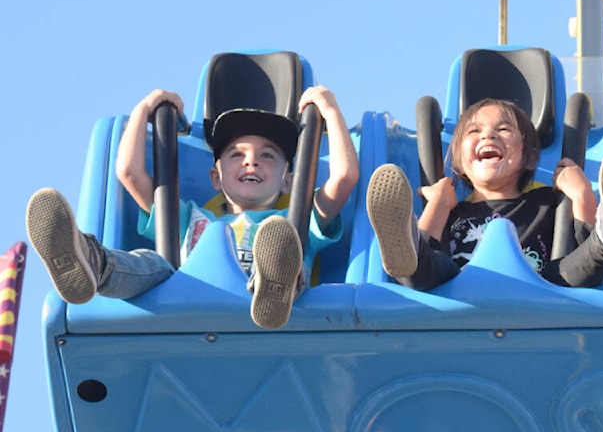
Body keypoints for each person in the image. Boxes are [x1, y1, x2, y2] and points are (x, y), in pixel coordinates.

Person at [26, 85, 358, 329]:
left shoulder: (295, 219)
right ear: (216, 177)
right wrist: (144, 110)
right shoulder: (189, 218)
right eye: (236, 155)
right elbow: (129, 173)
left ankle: (271, 286)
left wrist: (329, 111)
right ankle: (89, 262)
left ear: (288, 181)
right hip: (186, 294)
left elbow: (344, 177)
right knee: (153, 265)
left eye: (267, 155)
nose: (252, 162)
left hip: (268, 302)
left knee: (283, 251)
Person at [365, 97, 603, 290]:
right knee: (420, 268)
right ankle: (401, 234)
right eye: (475, 131)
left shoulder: (547, 203)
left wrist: (583, 194)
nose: (488, 136)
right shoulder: (453, 211)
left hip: (541, 290)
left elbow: (579, 246)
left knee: (575, 270)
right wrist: (438, 203)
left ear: (529, 156)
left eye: (503, 129)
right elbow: (428, 248)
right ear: (459, 162)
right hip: (458, 289)